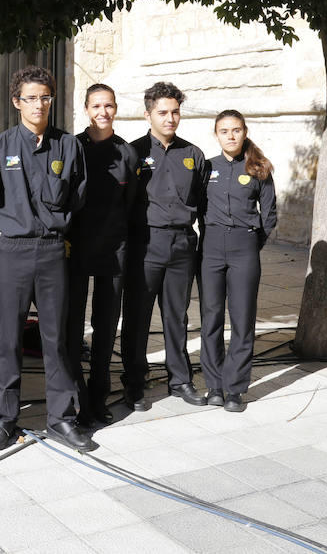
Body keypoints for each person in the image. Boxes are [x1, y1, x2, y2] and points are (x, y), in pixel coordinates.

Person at [0, 66, 93, 452]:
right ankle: (6, 418)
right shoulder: (0, 146)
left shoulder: (67, 146)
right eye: (31, 97)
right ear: (16, 103)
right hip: (13, 250)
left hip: (51, 251)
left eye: (45, 97)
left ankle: (62, 417)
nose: (39, 104)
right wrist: (18, 221)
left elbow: (77, 195)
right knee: (8, 339)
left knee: (56, 339)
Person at [121, 81, 207, 411]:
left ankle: (181, 380)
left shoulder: (193, 154)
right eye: (163, 113)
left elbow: (202, 201)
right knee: (137, 317)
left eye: (175, 112)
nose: (170, 118)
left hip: (182, 245)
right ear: (148, 114)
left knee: (177, 316)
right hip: (146, 244)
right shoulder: (133, 152)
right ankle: (134, 383)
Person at [68, 84, 138, 425]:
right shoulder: (73, 148)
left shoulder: (126, 152)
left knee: (106, 325)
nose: (103, 112)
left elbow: (131, 204)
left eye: (109, 105)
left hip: (114, 248)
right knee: (72, 325)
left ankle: (99, 395)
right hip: (77, 248)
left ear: (115, 109)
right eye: (97, 105)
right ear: (86, 109)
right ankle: (77, 397)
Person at [199, 110, 277, 412]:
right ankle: (214, 385)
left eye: (235, 130)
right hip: (211, 247)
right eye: (224, 131)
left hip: (244, 247)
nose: (230, 136)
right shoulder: (207, 167)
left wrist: (251, 242)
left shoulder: (259, 168)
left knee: (242, 319)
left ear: (244, 132)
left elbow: (269, 214)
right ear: (216, 134)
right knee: (211, 318)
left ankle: (235, 388)